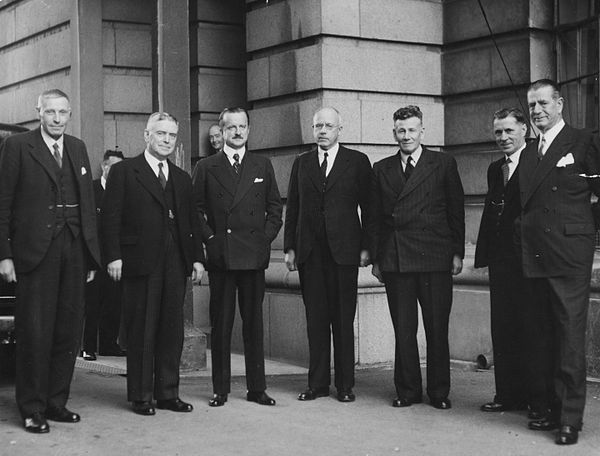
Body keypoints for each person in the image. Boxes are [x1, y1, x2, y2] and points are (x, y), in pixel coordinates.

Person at [0, 89, 100, 433]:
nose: (57, 119)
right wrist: (5, 255)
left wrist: (90, 256)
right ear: (38, 112)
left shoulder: (78, 147)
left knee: (67, 331)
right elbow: (3, 204)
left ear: (69, 114)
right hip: (34, 252)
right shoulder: (17, 146)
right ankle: (32, 408)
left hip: (73, 250)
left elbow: (87, 204)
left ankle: (57, 402)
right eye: (51, 112)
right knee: (35, 331)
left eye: (63, 112)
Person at [101, 112, 205, 416]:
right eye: (161, 134)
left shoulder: (182, 178)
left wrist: (196, 258)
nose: (167, 141)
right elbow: (109, 218)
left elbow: (191, 223)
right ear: (147, 135)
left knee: (171, 329)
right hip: (138, 262)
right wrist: (113, 256)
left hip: (175, 263)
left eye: (172, 136)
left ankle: (167, 393)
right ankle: (141, 395)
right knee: (142, 329)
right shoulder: (125, 171)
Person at [518, 79, 600, 445]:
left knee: (568, 337)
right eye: (532, 105)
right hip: (536, 253)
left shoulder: (583, 141)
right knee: (544, 336)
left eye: (543, 103)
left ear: (560, 104)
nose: (537, 111)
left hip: (569, 254)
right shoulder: (530, 149)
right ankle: (551, 409)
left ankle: (570, 419)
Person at [370, 105, 465, 410]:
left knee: (436, 327)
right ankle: (408, 390)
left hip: (435, 255)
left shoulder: (443, 163)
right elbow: (375, 219)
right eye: (401, 130)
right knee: (404, 328)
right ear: (393, 132)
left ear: (423, 131)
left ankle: (439, 392)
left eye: (412, 130)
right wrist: (376, 259)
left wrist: (457, 252)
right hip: (396, 257)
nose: (406, 136)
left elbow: (455, 211)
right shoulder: (381, 168)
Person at [194, 107, 283, 407]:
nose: (237, 132)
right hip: (223, 258)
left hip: (252, 258)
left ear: (249, 130)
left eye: (242, 126)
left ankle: (257, 388)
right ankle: (221, 389)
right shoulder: (207, 166)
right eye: (231, 127)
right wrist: (211, 239)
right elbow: (195, 210)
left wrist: (263, 240)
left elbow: (275, 209)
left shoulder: (262, 164)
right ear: (221, 131)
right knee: (221, 326)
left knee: (254, 325)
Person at [284, 107, 373, 402]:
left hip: (344, 253)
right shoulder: (302, 163)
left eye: (328, 126)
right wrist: (290, 248)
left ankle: (345, 386)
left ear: (339, 129)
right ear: (312, 129)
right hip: (311, 254)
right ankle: (318, 384)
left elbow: (370, 209)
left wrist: (367, 247)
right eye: (318, 125)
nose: (323, 130)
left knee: (343, 320)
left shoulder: (357, 162)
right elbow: (293, 208)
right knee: (316, 320)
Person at [474, 108, 534, 414]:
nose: (503, 138)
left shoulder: (538, 160)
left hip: (530, 259)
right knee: (504, 327)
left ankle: (534, 398)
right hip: (501, 260)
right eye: (498, 132)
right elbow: (491, 210)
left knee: (531, 328)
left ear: (524, 129)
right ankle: (507, 395)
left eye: (509, 131)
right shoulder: (495, 167)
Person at [82, 149, 125, 361]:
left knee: (114, 302)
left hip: (116, 257)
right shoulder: (91, 189)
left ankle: (109, 344)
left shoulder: (125, 192)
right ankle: (88, 346)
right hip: (95, 258)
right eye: (112, 166)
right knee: (92, 304)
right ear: (104, 166)